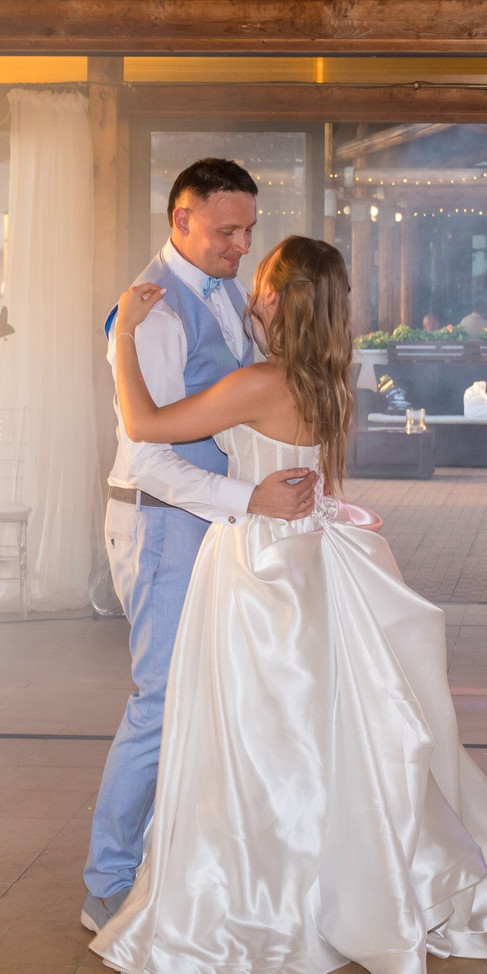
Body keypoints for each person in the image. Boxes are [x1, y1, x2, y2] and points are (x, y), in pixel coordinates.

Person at [91, 237, 487, 974]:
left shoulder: (262, 381)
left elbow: (145, 423)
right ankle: (326, 882)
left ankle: (268, 894)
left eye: (261, 285)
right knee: (309, 738)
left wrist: (121, 333)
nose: (252, 296)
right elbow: (311, 479)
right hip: (308, 559)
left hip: (256, 568)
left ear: (276, 300)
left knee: (255, 740)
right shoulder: (330, 380)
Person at [82, 160, 323, 930]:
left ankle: (176, 860)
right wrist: (245, 497)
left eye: (250, 229)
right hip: (162, 522)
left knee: (205, 698)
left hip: (210, 524)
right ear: (180, 218)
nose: (242, 243)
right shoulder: (151, 313)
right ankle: (107, 884)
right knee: (161, 701)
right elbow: (147, 450)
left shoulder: (225, 296)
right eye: (227, 230)